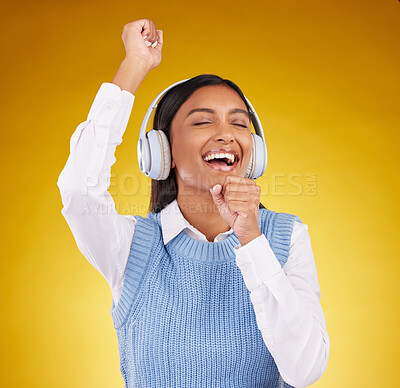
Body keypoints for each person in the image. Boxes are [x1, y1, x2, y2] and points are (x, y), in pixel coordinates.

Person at [57, 18, 330, 388]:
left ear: (255, 152)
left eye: (239, 124)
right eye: (203, 122)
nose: (225, 135)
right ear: (162, 153)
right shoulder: (132, 246)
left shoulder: (287, 237)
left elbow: (305, 369)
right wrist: (134, 65)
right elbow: (79, 190)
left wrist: (251, 238)